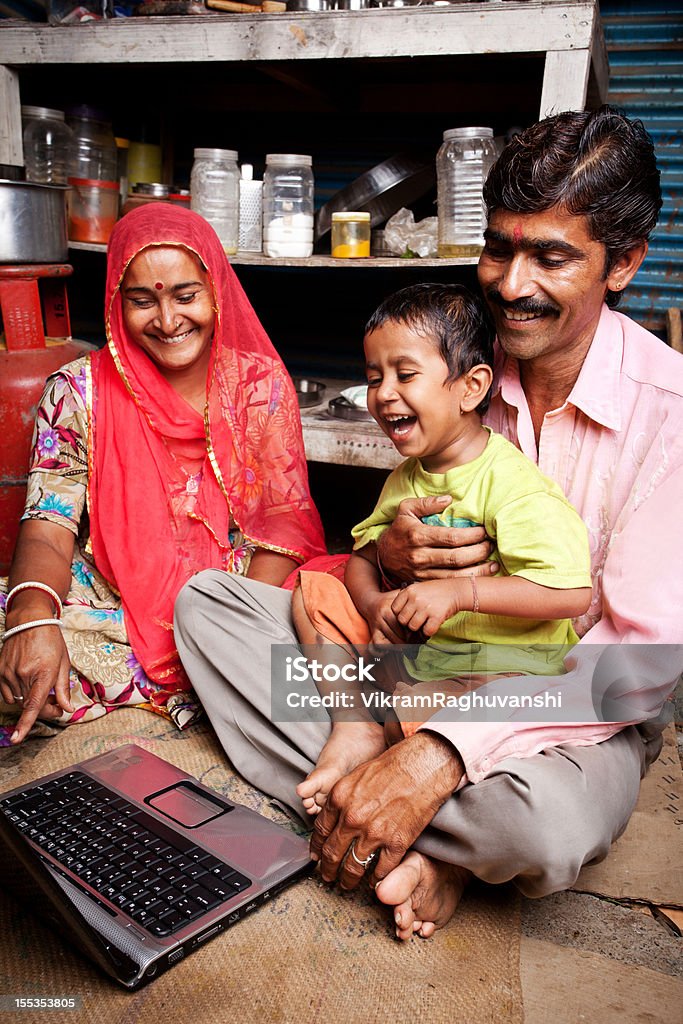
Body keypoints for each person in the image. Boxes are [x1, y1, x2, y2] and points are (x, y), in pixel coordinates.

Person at [174, 106, 683, 941]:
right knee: (209, 609)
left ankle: (413, 818)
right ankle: (414, 826)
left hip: (568, 707)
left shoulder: (666, 416)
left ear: (621, 263)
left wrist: (443, 749)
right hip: (421, 668)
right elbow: (376, 580)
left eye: (550, 256)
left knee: (543, 825)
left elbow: (635, 668)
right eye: (498, 247)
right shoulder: (454, 362)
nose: (511, 283)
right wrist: (390, 553)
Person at [0, 204, 325, 744]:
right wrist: (34, 622)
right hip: (113, 597)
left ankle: (189, 682)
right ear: (115, 301)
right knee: (18, 642)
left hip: (236, 592)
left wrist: (227, 632)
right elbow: (48, 526)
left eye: (186, 296)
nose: (169, 321)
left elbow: (285, 528)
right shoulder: (77, 392)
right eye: (142, 301)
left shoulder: (258, 386)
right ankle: (189, 692)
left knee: (336, 639)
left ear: (216, 290)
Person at [292, 282, 592, 815]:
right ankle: (355, 728)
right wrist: (373, 604)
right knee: (313, 590)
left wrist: (461, 593)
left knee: (422, 712)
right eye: (373, 377)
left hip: (500, 674)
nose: (384, 393)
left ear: (471, 387)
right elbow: (362, 560)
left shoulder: (511, 482)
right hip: (424, 656)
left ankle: (408, 791)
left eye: (405, 375)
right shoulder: (407, 477)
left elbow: (568, 592)